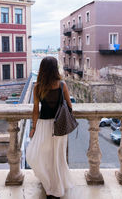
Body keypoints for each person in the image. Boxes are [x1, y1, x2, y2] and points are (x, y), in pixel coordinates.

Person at [26, 56, 74, 199]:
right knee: (58, 157)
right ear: (55, 69)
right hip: (59, 126)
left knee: (41, 155)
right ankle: (57, 186)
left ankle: (49, 187)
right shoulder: (62, 85)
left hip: (43, 125)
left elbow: (36, 110)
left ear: (42, 70)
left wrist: (33, 128)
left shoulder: (38, 87)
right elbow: (69, 106)